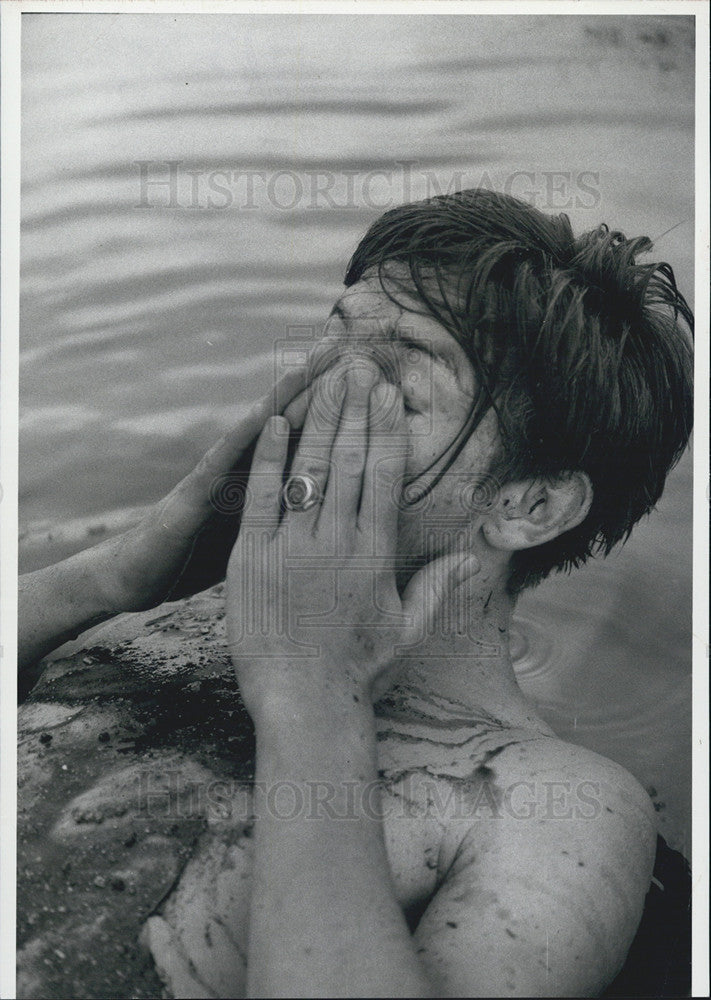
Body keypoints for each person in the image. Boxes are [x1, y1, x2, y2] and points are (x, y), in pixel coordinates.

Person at [17, 190, 693, 998]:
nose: (312, 407)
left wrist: (312, 691)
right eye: (325, 354)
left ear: (528, 506)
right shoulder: (142, 615)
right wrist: (112, 574)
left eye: (393, 394)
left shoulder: (549, 805)